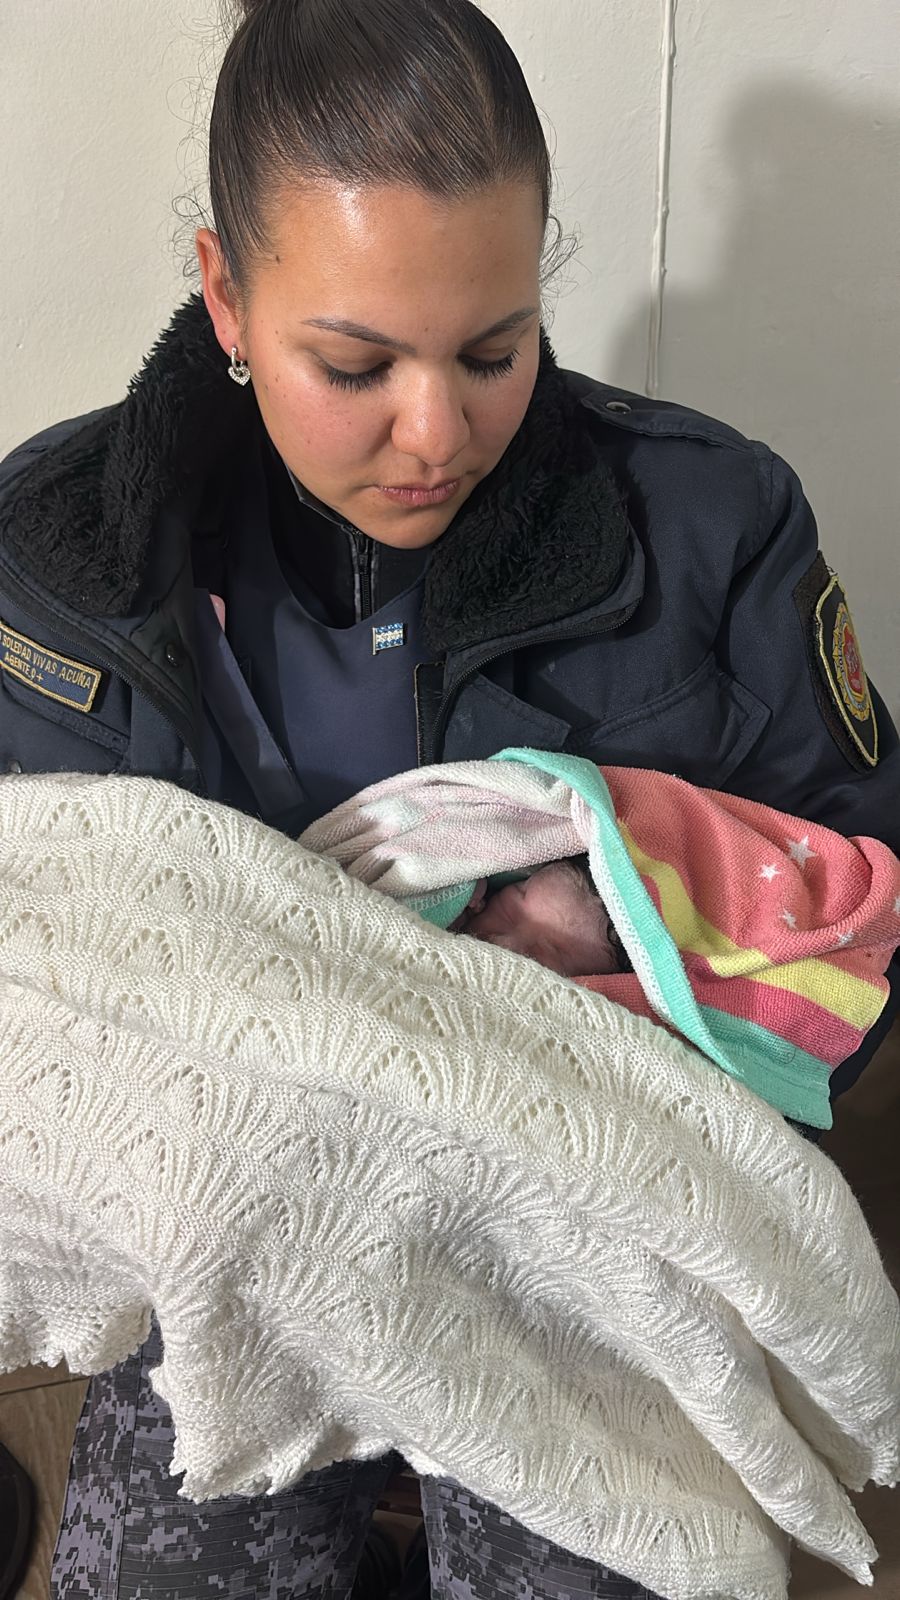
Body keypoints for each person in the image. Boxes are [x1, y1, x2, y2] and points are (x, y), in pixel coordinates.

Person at [0, 0, 897, 1595]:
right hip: (232, 1242)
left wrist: (644, 938)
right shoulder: (54, 560)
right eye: (356, 365)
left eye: (495, 351)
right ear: (225, 293)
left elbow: (862, 918)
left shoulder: (712, 526)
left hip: (579, 1247)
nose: (438, 433)